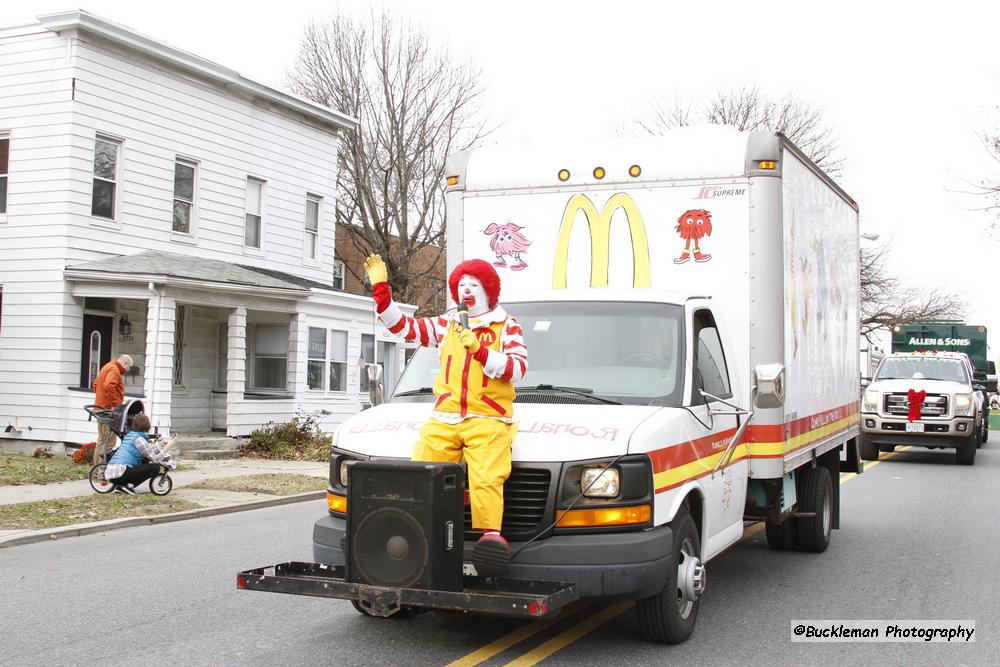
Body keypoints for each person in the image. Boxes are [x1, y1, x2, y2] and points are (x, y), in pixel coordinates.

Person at [363, 254, 528, 576]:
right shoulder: (447, 323)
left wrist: (480, 351)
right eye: (462, 285)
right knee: (423, 467)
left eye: (474, 284)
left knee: (487, 475)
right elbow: (403, 327)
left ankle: (489, 538)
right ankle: (416, 530)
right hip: (446, 415)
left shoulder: (507, 325)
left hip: (488, 418)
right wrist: (381, 289)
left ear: (488, 289)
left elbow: (518, 368)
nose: (466, 290)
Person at [103, 413, 174, 494]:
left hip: (113, 473)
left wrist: (162, 443)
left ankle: (124, 486)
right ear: (146, 425)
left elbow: (149, 451)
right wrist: (167, 447)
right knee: (155, 468)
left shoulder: (132, 435)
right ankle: (127, 487)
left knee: (146, 459)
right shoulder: (139, 439)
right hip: (120, 472)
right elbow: (155, 459)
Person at [93, 354, 133, 465]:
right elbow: (109, 386)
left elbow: (96, 384)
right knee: (109, 441)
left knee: (101, 440)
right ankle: (102, 470)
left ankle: (96, 469)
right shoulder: (114, 370)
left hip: (99, 408)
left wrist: (101, 398)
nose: (127, 371)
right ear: (125, 364)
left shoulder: (107, 366)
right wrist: (116, 405)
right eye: (129, 368)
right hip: (107, 411)